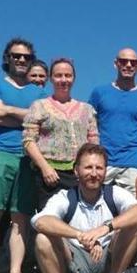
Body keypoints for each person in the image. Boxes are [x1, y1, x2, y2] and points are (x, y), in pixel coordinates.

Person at [32, 143, 137, 273]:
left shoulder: (113, 193)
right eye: (88, 167)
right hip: (75, 264)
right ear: (76, 170)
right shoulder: (65, 197)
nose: (94, 173)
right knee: (42, 239)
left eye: (99, 168)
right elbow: (41, 221)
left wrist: (105, 228)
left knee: (135, 226)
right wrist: (79, 235)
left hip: (108, 261)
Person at [0, 38, 46, 273]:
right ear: (7, 58)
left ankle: (16, 271)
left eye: (26, 57)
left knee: (21, 215)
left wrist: (9, 111)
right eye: (16, 56)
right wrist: (26, 116)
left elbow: (42, 122)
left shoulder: (39, 93)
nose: (21, 60)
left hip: (28, 157)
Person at [23, 58, 99, 210]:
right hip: (51, 176)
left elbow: (94, 143)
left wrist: (91, 169)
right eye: (58, 75)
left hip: (79, 175)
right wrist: (45, 168)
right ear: (51, 78)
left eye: (68, 75)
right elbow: (28, 141)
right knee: (51, 220)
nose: (63, 80)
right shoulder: (39, 106)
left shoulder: (87, 109)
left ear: (74, 78)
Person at [89, 47, 137, 196]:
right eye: (123, 61)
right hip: (103, 161)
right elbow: (89, 123)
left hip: (132, 163)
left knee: (132, 210)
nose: (128, 65)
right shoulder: (99, 92)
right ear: (116, 64)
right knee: (95, 206)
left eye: (133, 62)